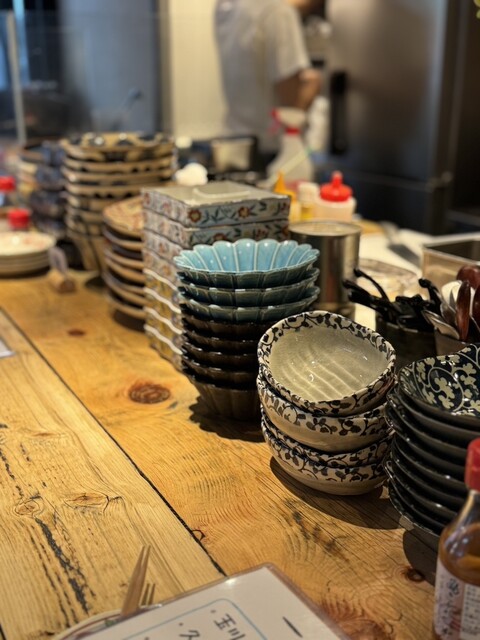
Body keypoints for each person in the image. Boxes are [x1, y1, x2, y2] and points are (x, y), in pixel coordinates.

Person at [214, 0, 323, 155]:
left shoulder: (225, 6)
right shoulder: (279, 13)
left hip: (233, 144)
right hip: (271, 151)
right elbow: (291, 108)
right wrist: (312, 86)